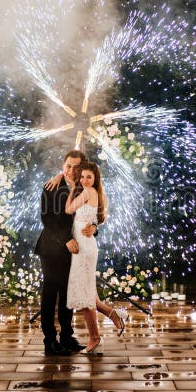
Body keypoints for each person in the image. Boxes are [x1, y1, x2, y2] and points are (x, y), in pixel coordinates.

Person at [35, 150, 95, 356]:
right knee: (51, 294)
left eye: (76, 167)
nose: (70, 170)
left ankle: (67, 337)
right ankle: (49, 340)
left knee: (68, 293)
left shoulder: (84, 188)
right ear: (63, 165)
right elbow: (47, 219)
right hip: (51, 249)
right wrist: (65, 239)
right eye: (67, 166)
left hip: (76, 249)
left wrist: (94, 227)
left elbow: (93, 214)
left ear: (83, 168)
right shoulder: (51, 186)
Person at [64, 161, 127, 354]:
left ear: (95, 178)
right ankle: (113, 314)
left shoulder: (88, 192)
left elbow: (68, 210)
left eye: (88, 177)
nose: (84, 180)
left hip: (83, 247)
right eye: (81, 177)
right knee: (89, 293)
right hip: (84, 243)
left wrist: (74, 186)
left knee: (84, 296)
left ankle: (95, 337)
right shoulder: (95, 193)